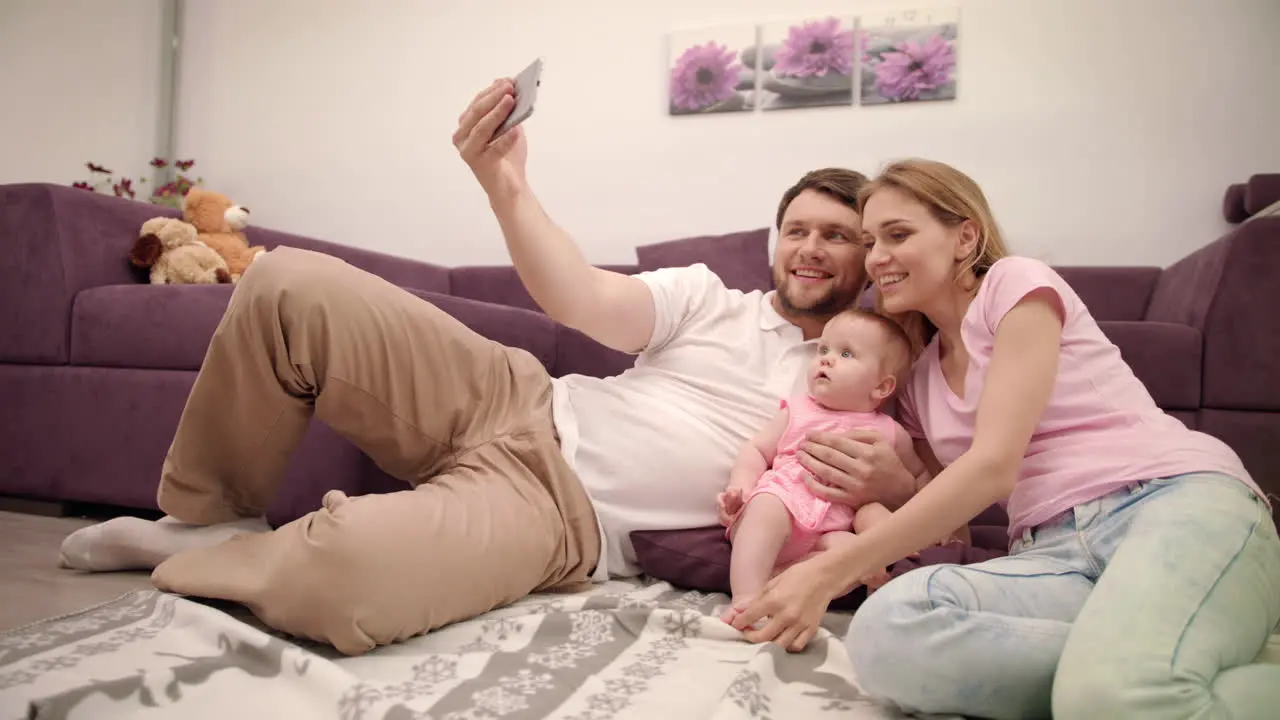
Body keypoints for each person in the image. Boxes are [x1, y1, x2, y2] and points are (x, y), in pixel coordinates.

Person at [55, 77, 920, 656]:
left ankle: (229, 554)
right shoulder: (708, 298)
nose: (810, 248)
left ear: (872, 255)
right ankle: (205, 515)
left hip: (557, 514)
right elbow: (578, 296)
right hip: (515, 397)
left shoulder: (879, 379)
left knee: (337, 585)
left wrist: (902, 480)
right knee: (286, 280)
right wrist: (504, 183)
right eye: (797, 229)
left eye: (838, 235)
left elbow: (935, 491)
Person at [727, 158, 1280, 718]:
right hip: (1050, 555)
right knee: (887, 633)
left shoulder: (1014, 285)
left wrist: (827, 572)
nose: (877, 259)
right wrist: (886, 490)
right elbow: (953, 520)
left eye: (897, 235)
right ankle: (1152, 662)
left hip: (1167, 500)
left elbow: (994, 466)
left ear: (966, 236)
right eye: (870, 242)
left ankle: (1130, 678)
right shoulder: (916, 382)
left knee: (1112, 697)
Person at [716, 308, 929, 625]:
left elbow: (921, 476)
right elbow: (756, 450)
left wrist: (928, 516)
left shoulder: (890, 433)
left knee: (858, 550)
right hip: (783, 506)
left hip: (833, 529)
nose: (826, 359)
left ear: (882, 387)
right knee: (765, 508)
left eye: (845, 353)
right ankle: (747, 598)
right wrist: (743, 486)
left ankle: (871, 593)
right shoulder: (798, 411)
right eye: (823, 350)